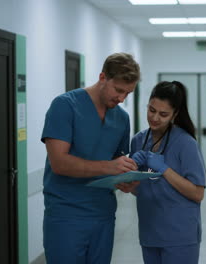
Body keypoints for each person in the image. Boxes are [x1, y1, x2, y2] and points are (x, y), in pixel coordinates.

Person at [40, 52, 140, 263]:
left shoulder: (121, 118)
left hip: (103, 215)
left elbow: (116, 166)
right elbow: (59, 163)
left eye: (128, 94)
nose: (122, 99)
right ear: (102, 78)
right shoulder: (65, 106)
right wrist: (110, 168)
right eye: (119, 90)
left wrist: (125, 180)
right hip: (66, 216)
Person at [117, 80, 206, 264]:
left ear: (175, 114)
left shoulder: (185, 143)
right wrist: (129, 185)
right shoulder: (138, 141)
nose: (155, 118)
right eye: (151, 110)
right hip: (150, 232)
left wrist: (164, 169)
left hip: (179, 235)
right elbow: (141, 188)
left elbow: (197, 193)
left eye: (163, 114)